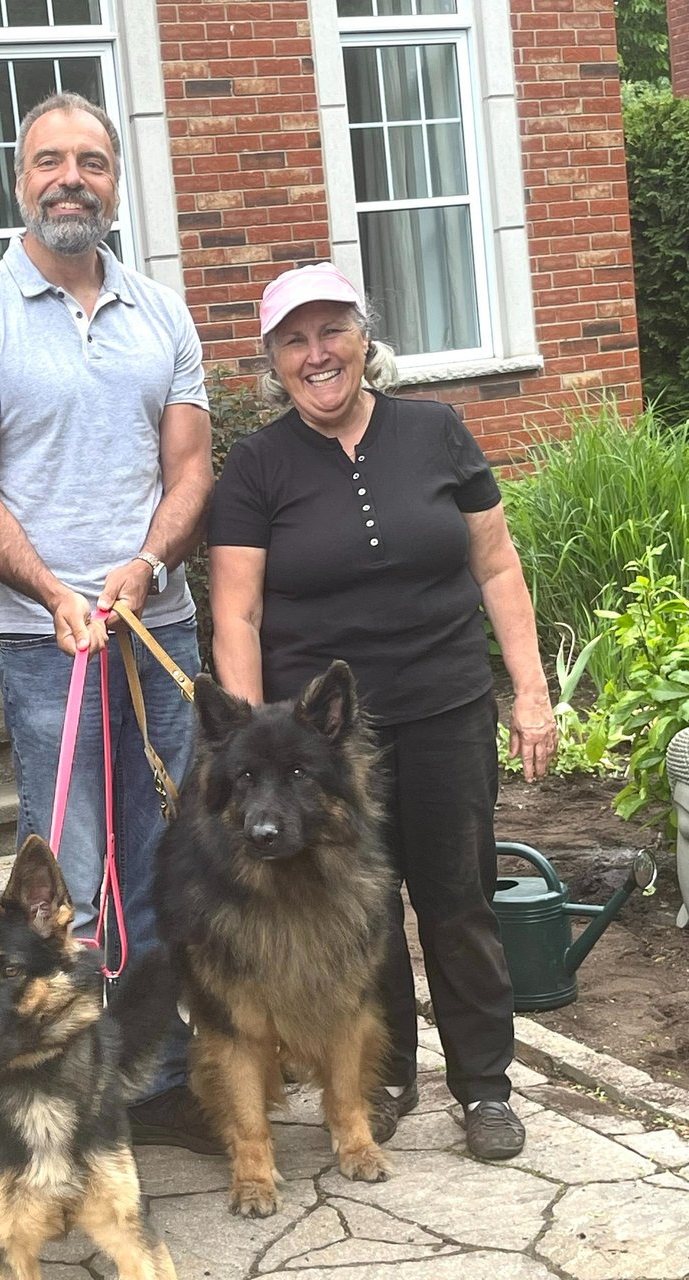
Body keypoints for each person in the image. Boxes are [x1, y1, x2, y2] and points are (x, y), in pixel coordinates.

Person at [0, 92, 217, 1152]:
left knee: (159, 870)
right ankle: (55, 1100)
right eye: (50, 160)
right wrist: (54, 594)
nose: (70, 178)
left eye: (91, 161)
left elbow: (189, 470)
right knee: (63, 889)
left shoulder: (161, 313)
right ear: (18, 179)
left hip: (155, 632)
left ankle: (160, 1077)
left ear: (114, 180)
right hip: (49, 654)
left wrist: (142, 566)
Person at [207, 261, 558, 1161]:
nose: (317, 354)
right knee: (361, 912)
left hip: (445, 705)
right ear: (272, 362)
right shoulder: (255, 467)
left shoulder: (437, 432)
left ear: (365, 341)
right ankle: (389, 1079)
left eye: (333, 332)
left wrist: (529, 689)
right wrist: (249, 741)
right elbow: (236, 612)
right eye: (295, 339)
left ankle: (484, 1089)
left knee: (458, 899)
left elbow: (498, 566)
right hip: (321, 749)